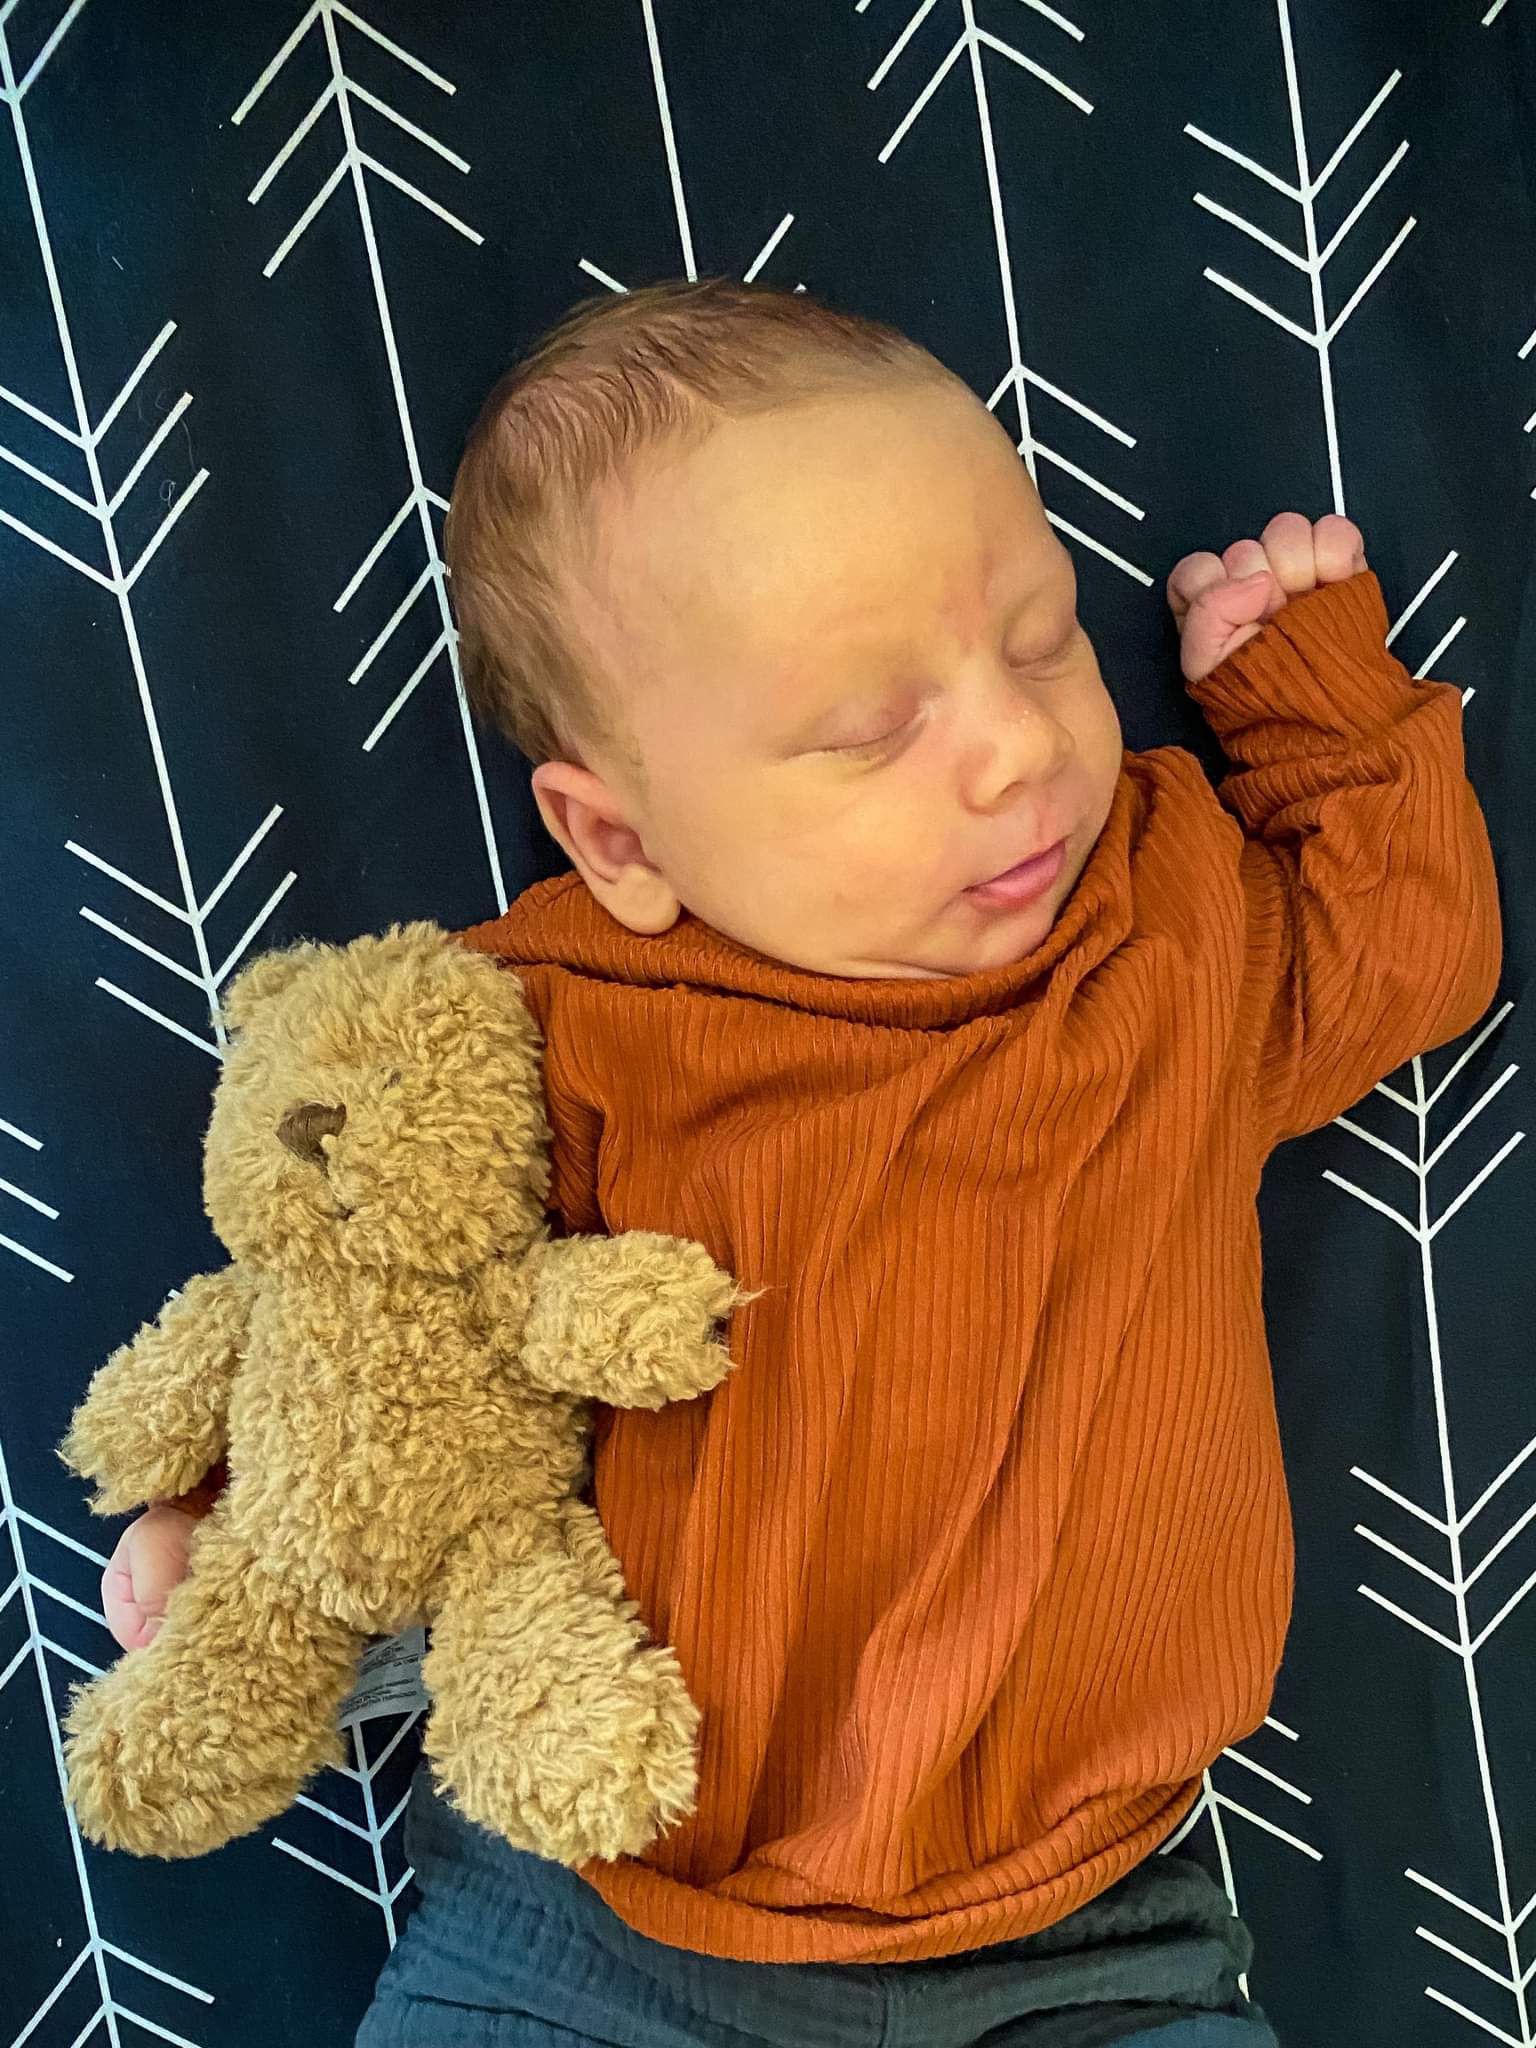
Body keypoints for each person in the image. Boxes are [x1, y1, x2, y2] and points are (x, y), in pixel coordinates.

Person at [99, 279, 1500, 2045]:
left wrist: (1310, 699)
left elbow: (1407, 951)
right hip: (599, 1915)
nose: (1017, 747)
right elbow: (393, 1305)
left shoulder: (1165, 928)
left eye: (1044, 637)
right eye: (866, 727)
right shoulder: (565, 1022)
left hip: (1091, 1930)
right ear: (620, 840)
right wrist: (231, 1508)